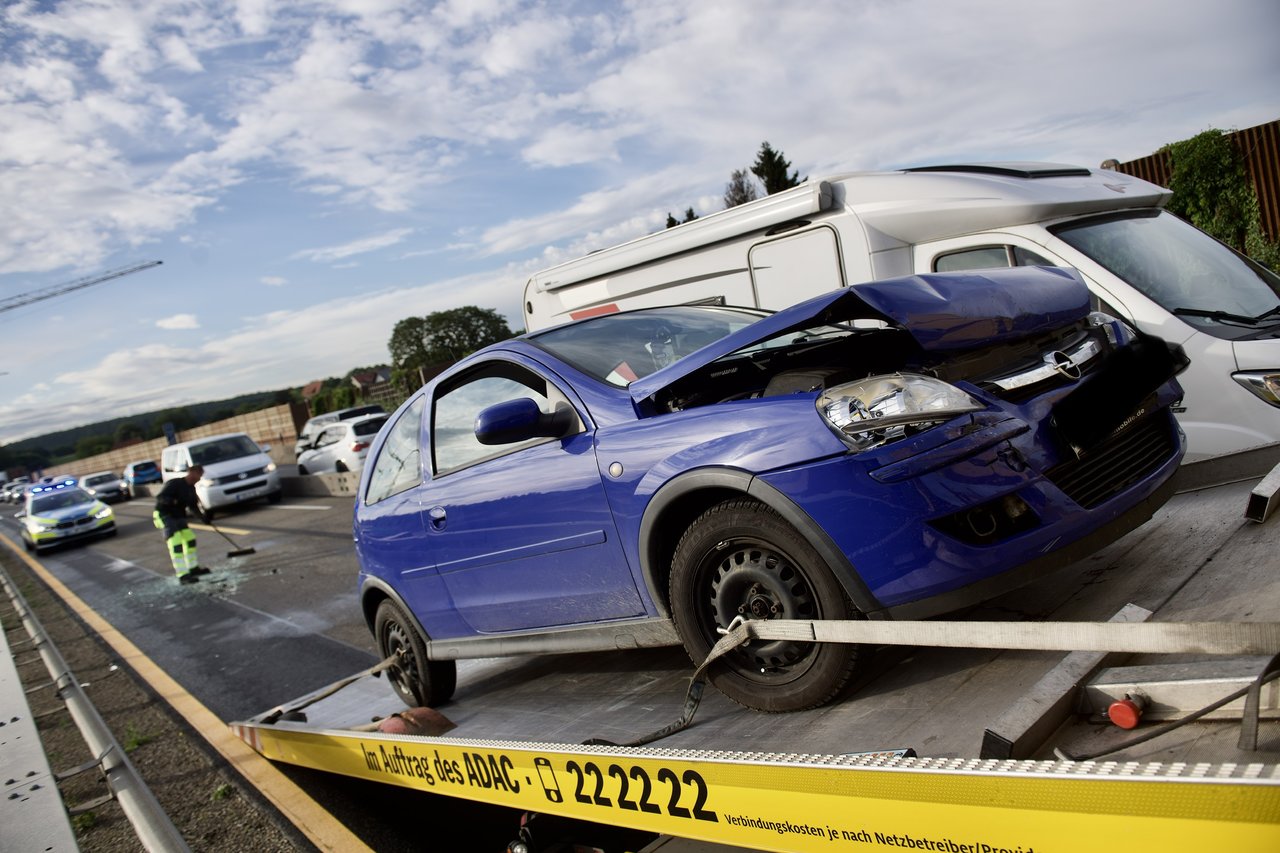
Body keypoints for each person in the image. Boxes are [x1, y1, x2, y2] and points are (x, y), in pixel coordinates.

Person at [153, 465, 209, 583]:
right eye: (199, 474)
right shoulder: (175, 483)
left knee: (190, 539)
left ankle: (193, 568)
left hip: (178, 516)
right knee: (176, 542)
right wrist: (172, 501)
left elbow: (193, 506)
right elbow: (160, 497)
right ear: (191, 472)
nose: (199, 478)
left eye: (201, 475)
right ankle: (182, 575)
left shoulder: (191, 489)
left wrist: (203, 518)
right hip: (164, 514)